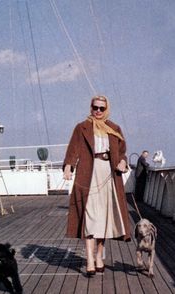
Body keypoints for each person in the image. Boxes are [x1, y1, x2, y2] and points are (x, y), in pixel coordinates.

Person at [63, 95, 131, 276]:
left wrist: (123, 162)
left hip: (109, 175)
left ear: (106, 109)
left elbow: (123, 152)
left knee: (104, 219)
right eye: (95, 108)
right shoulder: (82, 127)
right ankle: (90, 260)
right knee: (90, 217)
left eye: (101, 108)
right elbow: (73, 149)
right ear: (91, 107)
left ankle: (100, 256)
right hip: (88, 173)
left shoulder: (114, 128)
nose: (98, 111)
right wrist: (68, 167)